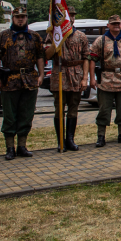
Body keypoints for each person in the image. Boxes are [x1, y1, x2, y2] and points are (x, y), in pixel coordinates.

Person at [0, 6, 45, 161]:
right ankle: (9, 147)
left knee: (26, 114)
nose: (21, 19)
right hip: (10, 80)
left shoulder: (34, 36)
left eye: (23, 17)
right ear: (13, 18)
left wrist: (41, 75)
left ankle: (22, 145)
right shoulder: (3, 36)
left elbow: (40, 56)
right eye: (18, 17)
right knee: (9, 115)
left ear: (27, 18)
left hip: (29, 79)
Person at [89, 15, 121, 146]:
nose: (116, 26)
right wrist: (92, 78)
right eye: (114, 24)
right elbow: (92, 59)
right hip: (106, 78)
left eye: (118, 23)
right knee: (104, 109)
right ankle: (101, 136)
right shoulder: (101, 40)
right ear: (108, 25)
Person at [44, 14, 90, 151]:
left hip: (76, 74)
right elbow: (47, 55)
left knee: (73, 108)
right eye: (66, 18)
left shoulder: (81, 36)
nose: (69, 20)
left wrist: (85, 78)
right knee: (59, 108)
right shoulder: (53, 34)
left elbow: (86, 57)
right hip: (60, 73)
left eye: (71, 17)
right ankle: (61, 141)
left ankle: (70, 139)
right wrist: (56, 39)